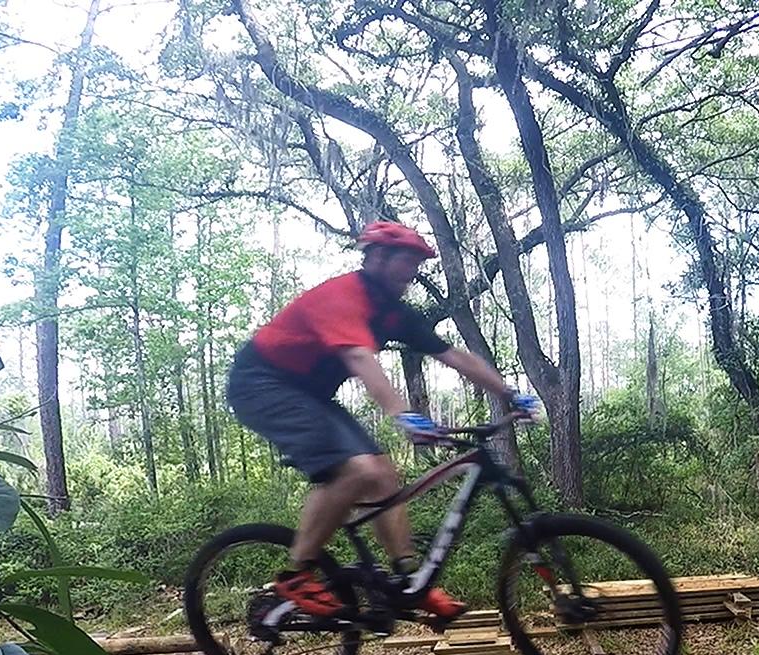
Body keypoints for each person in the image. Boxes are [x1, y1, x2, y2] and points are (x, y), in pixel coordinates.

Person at [226, 220, 538, 621]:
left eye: (417, 263)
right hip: (261, 383)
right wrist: (403, 414)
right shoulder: (342, 296)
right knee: (356, 471)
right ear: (377, 257)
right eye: (406, 261)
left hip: (309, 396)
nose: (413, 271)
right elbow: (359, 358)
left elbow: (453, 356)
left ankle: (409, 580)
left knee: (382, 475)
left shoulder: (393, 313)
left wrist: (509, 393)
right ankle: (297, 575)